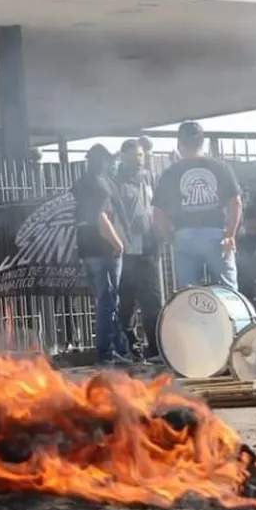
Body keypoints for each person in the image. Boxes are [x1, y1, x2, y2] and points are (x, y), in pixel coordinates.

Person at [152, 121, 243, 292]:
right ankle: (232, 318)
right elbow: (236, 202)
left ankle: (193, 318)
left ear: (179, 144)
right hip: (218, 235)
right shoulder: (220, 167)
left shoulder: (170, 173)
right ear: (203, 142)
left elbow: (159, 212)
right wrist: (230, 235)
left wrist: (171, 237)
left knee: (189, 295)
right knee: (229, 292)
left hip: (185, 236)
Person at [72, 143, 130, 365]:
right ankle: (106, 353)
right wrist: (117, 242)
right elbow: (101, 218)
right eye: (109, 160)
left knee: (107, 301)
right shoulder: (100, 185)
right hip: (103, 250)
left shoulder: (81, 184)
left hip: (87, 250)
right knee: (108, 302)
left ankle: (120, 350)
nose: (112, 164)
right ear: (103, 161)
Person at [113, 139, 163, 360]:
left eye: (141, 155)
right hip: (126, 254)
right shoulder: (116, 183)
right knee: (125, 305)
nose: (138, 160)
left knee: (152, 303)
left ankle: (154, 349)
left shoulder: (149, 179)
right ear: (122, 157)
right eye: (133, 156)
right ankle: (127, 348)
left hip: (148, 251)